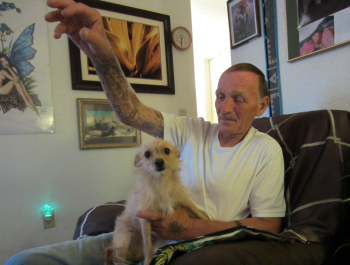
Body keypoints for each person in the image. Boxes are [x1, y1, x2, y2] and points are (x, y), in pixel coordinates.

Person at [5, 1, 330, 264]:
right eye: (220, 95)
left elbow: (269, 225)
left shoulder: (265, 151)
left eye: (239, 98)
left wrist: (193, 228)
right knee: (24, 260)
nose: (225, 107)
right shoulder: (191, 131)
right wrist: (102, 55)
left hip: (180, 249)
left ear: (261, 105)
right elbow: (128, 111)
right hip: (136, 233)